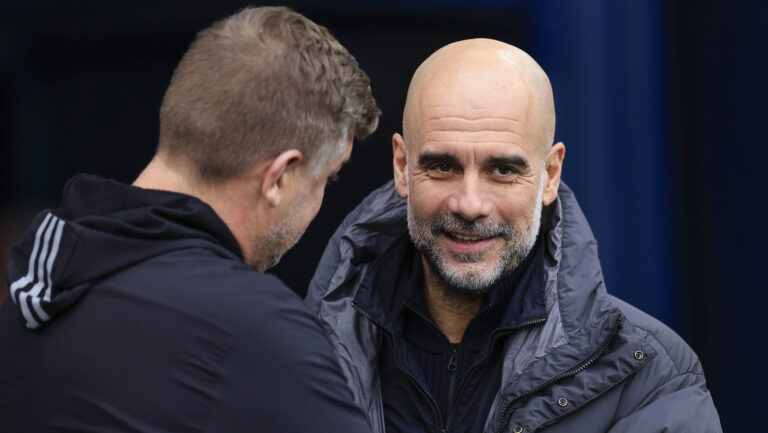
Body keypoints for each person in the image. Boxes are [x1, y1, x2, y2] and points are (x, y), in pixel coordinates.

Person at [306, 39, 721, 433]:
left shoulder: (647, 375)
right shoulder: (303, 353)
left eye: (502, 170)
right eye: (442, 167)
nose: (469, 205)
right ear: (401, 166)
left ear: (549, 176)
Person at [0, 6, 380, 432]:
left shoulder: (30, 294)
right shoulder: (256, 330)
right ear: (279, 177)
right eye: (328, 177)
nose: (322, 197)